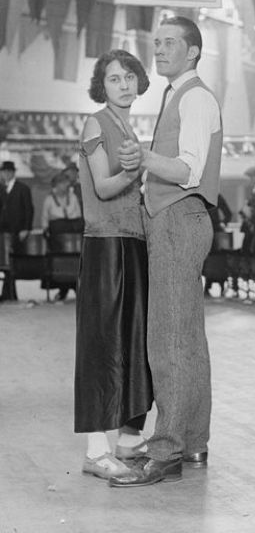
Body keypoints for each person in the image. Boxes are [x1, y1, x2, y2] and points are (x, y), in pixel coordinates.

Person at [111, 16, 223, 488]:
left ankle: (167, 450)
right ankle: (192, 442)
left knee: (169, 341)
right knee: (188, 340)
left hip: (180, 218)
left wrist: (143, 159)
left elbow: (189, 169)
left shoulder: (194, 96)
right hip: (180, 220)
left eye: (170, 43)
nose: (159, 50)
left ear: (193, 51)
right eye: (156, 42)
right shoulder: (176, 93)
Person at [75, 48, 153, 481]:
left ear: (139, 82)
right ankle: (94, 449)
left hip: (133, 243)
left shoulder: (129, 130)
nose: (123, 84)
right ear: (101, 87)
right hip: (105, 245)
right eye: (113, 78)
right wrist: (136, 171)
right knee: (102, 347)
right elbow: (105, 187)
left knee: (134, 343)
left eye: (128, 77)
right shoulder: (95, 122)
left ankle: (127, 439)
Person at [41, 171, 83, 301]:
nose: (66, 186)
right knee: (59, 263)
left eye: (66, 183)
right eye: (63, 183)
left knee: (75, 261)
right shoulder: (49, 199)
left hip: (73, 237)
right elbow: (44, 218)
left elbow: (78, 215)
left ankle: (77, 286)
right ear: (57, 185)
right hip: (57, 239)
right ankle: (62, 287)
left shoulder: (73, 197)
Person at [0, 160, 33, 301]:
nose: (6, 174)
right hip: (2, 231)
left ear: (13, 172)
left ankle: (9, 293)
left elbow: (29, 210)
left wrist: (26, 228)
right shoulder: (1, 188)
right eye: (4, 171)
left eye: (8, 171)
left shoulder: (23, 188)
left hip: (16, 230)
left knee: (11, 261)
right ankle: (8, 293)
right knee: (4, 262)